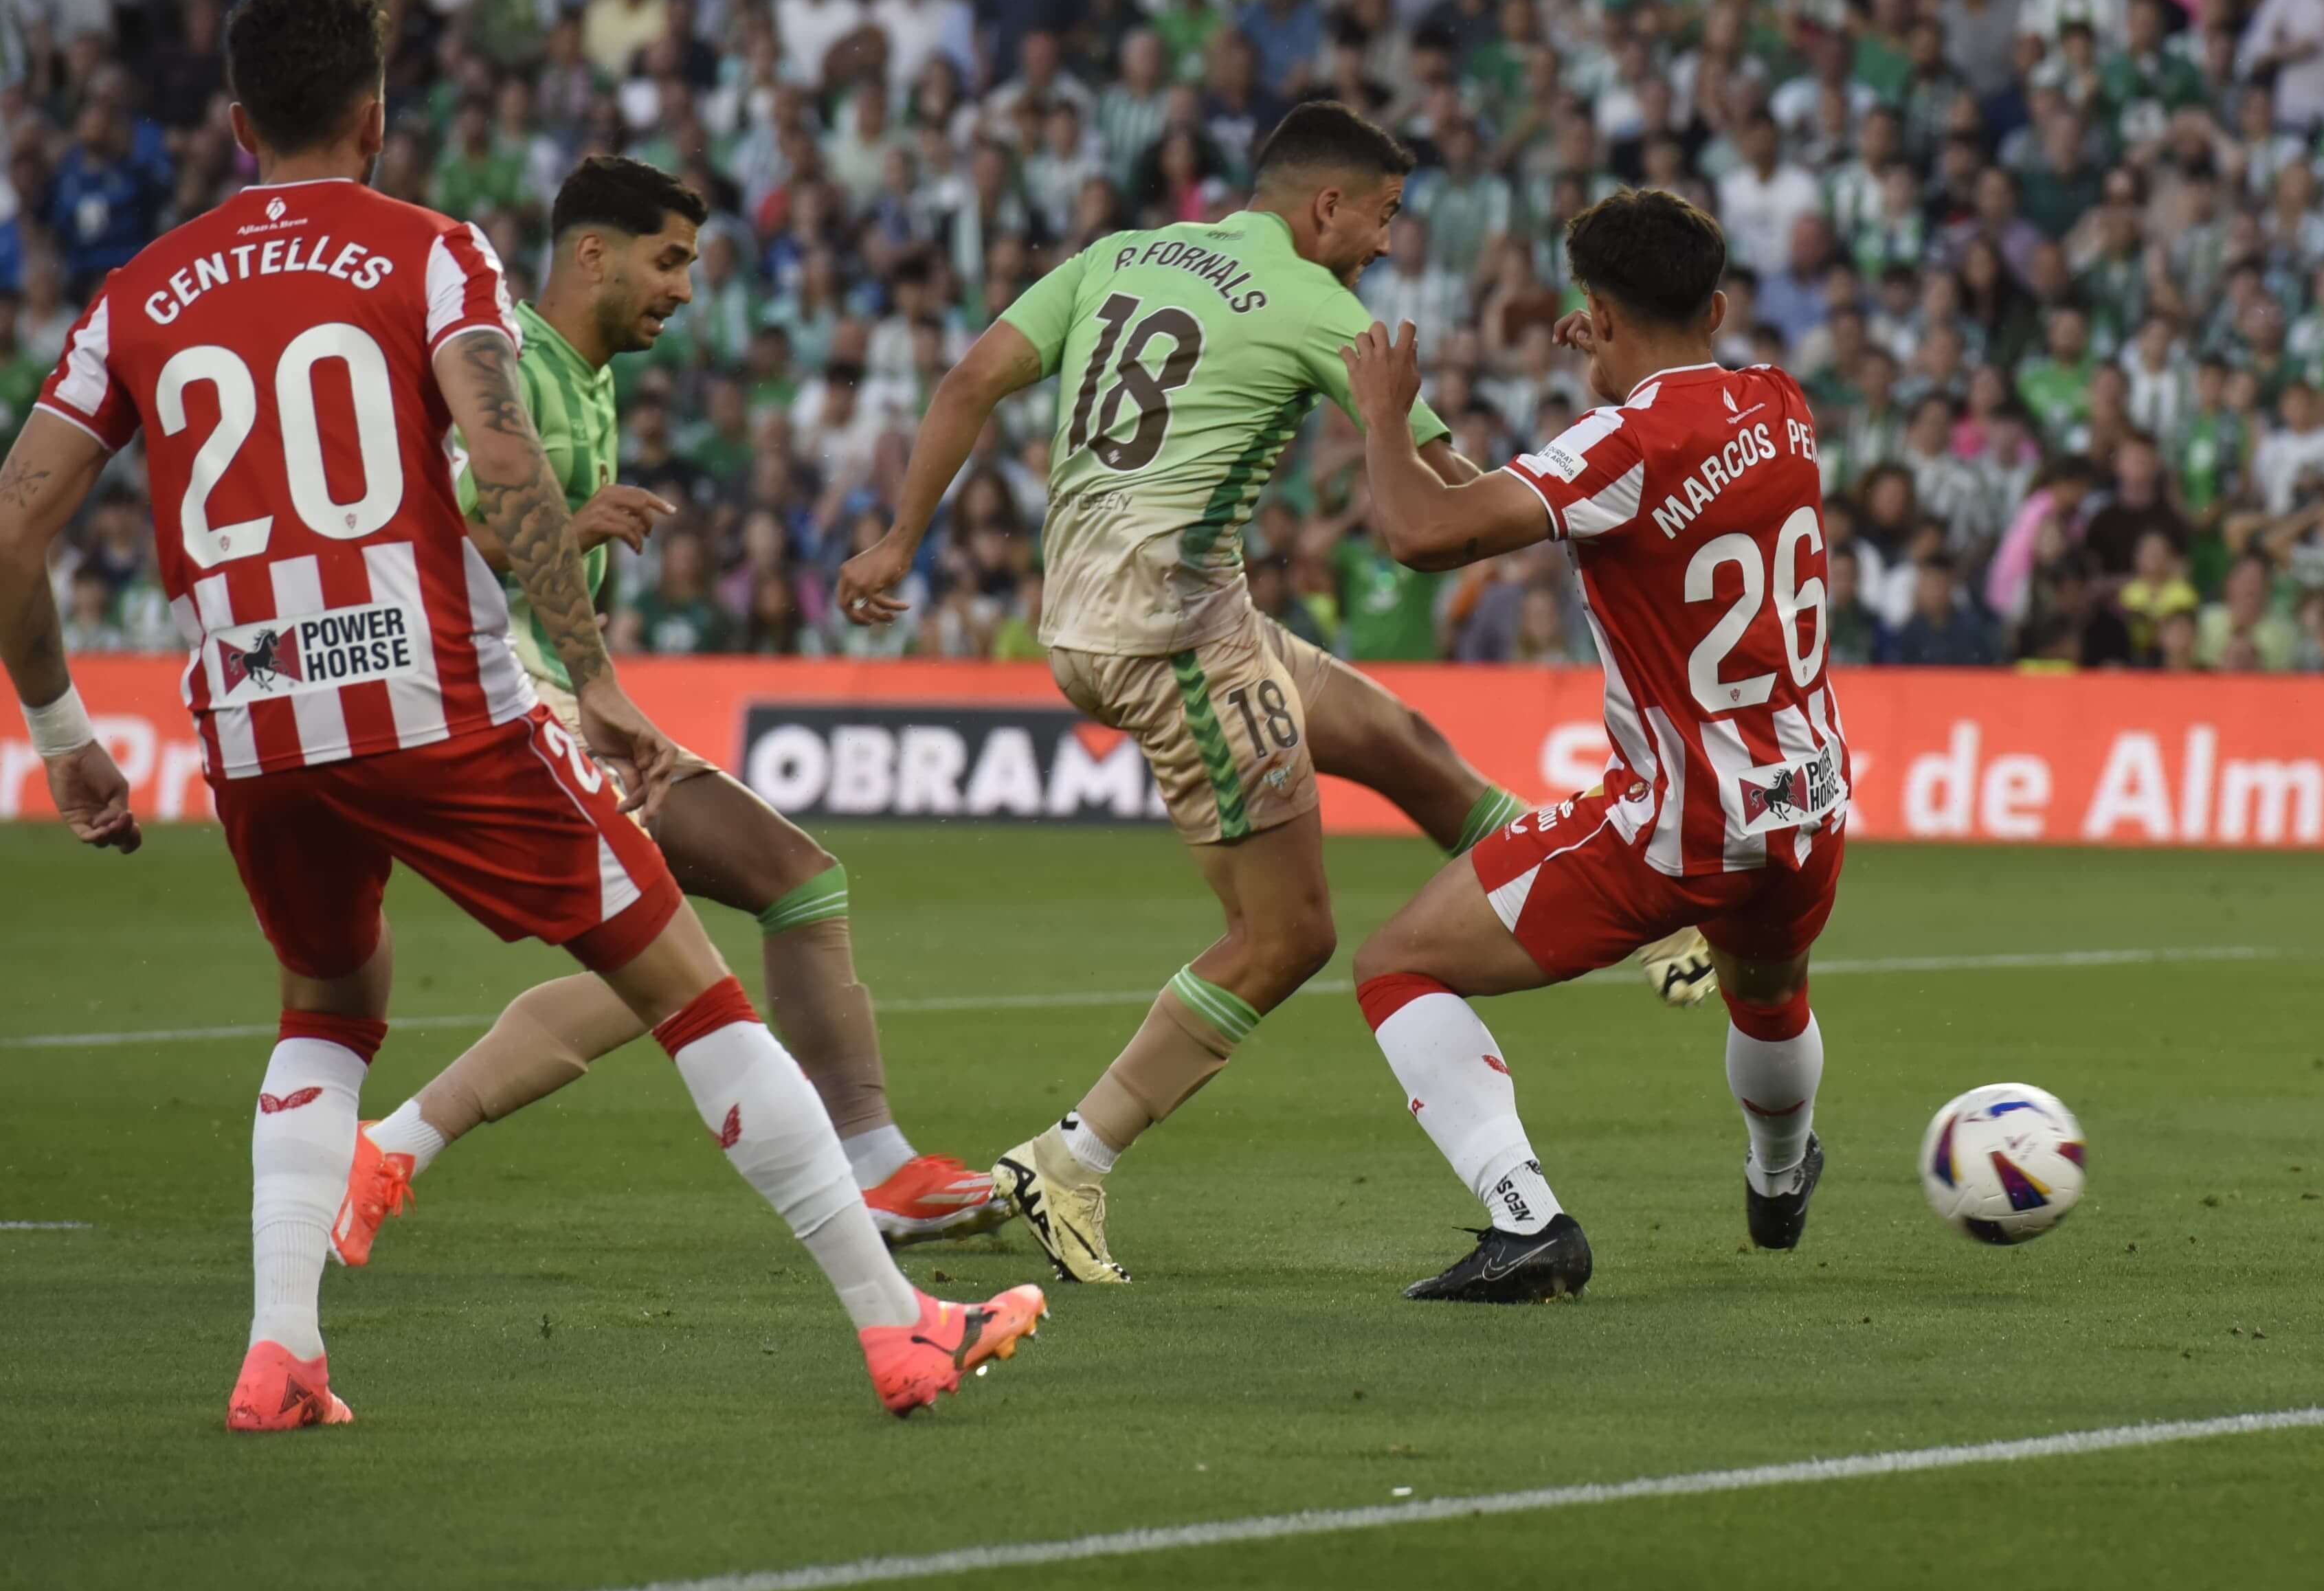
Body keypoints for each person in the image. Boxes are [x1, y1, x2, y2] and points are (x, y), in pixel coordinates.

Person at [0, 0, 1042, 1428]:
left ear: (237, 125)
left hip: (254, 718)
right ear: (374, 117)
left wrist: (65, 738)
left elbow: (12, 526)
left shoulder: (135, 293)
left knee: (329, 1001)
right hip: (442, 700)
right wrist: (599, 682)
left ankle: (282, 1350)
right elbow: (504, 464)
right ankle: (900, 1324)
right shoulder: (431, 254)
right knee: (691, 987)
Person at [830, 102, 1701, 1287]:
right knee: (1288, 935)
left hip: (1141, 612)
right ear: (1326, 205)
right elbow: (1451, 489)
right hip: (1170, 641)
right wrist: (1597, 443)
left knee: (1402, 743)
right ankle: (1071, 1160)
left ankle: (1646, 926)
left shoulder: (1118, 254)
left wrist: (899, 540)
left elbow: (973, 378)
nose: (1387, 245)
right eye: (1383, 217)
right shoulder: (1313, 302)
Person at [333, 157, 1002, 1270]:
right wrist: (573, 526)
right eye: (670, 259)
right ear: (592, 252)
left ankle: (877, 1158)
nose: (687, 287)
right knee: (661, 959)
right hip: (497, 689)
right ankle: (392, 1144)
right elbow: (420, 547)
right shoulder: (505, 367)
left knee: (795, 878)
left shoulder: (586, 377)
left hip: (569, 691)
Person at [1336, 185, 1851, 1301]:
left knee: (1396, 964)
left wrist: (1384, 413)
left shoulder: (1619, 445)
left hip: (1679, 822)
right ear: (1715, 307)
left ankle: (1525, 1220)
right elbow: (1656, 439)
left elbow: (1423, 533)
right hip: (1808, 796)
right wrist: (1621, 353)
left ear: (1601, 315)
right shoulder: (1781, 401)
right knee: (1769, 994)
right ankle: (1776, 1175)